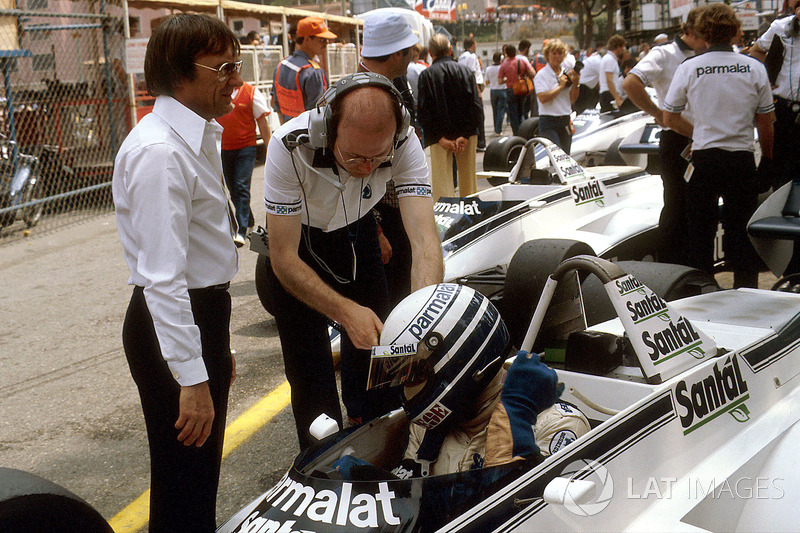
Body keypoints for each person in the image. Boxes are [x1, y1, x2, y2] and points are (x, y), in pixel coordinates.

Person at [262, 72, 444, 450]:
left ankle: (379, 443)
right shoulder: (288, 145)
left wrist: (420, 313)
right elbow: (282, 256)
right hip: (300, 246)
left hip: (358, 232)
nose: (366, 167)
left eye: (378, 158)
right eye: (355, 156)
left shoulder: (406, 140)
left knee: (380, 363)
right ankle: (323, 463)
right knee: (312, 378)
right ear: (325, 129)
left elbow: (425, 239)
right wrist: (345, 313)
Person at [112, 14, 241, 531]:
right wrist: (190, 373)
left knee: (196, 475)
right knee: (185, 478)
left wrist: (213, 347)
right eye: (225, 67)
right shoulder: (161, 152)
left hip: (196, 315)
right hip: (172, 319)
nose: (236, 79)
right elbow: (164, 278)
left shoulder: (193, 134)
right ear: (181, 74)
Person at [335, 284, 588, 479]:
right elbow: (419, 503)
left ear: (458, 363)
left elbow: (515, 516)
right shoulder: (425, 429)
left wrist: (512, 421)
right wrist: (379, 487)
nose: (403, 388)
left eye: (412, 375)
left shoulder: (556, 426)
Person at [664, 2, 775, 289]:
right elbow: (766, 123)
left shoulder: (689, 67)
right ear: (736, 32)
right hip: (741, 158)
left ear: (703, 32)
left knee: (700, 232)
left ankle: (701, 294)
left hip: (704, 158)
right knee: (742, 233)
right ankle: (746, 293)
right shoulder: (754, 67)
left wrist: (699, 131)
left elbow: (669, 117)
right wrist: (769, 160)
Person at [623, 6, 707, 265]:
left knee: (701, 206)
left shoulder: (708, 53)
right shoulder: (664, 54)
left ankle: (698, 265)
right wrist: (657, 113)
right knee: (675, 205)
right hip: (677, 139)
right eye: (704, 35)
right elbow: (630, 83)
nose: (708, 41)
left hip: (706, 140)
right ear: (690, 32)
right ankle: (671, 267)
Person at [358, 12, 419, 308]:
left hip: (390, 215)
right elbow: (352, 175)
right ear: (396, 53)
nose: (414, 55)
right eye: (410, 50)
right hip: (376, 217)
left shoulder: (390, 86)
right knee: (386, 308)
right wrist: (377, 230)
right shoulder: (365, 96)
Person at [417, 34, 483, 201]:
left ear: (431, 53)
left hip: (439, 135)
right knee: (469, 180)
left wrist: (439, 138)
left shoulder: (426, 75)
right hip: (466, 133)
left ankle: (445, 220)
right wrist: (466, 135)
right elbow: (475, 106)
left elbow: (424, 111)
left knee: (442, 183)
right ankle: (471, 215)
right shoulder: (466, 71)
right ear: (450, 49)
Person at [750, 0, 800, 190]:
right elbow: (757, 50)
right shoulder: (780, 27)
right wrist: (765, 78)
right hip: (784, 108)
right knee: (781, 168)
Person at [216, 82, 272, 247]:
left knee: (241, 186)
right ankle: (249, 221)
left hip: (246, 148)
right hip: (225, 149)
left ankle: (241, 230)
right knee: (233, 190)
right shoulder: (217, 91)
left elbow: (263, 122)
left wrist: (271, 149)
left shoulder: (251, 92)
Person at [272, 16, 335, 124]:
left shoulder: (281, 65)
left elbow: (275, 104)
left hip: (287, 134)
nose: (326, 44)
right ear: (306, 39)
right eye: (322, 40)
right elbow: (319, 115)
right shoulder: (313, 72)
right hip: (308, 137)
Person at [534, 39, 581, 153]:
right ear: (547, 55)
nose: (557, 57)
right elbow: (543, 98)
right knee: (557, 155)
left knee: (566, 155)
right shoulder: (542, 75)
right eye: (553, 53)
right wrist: (560, 87)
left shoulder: (566, 73)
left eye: (560, 53)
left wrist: (576, 84)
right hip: (549, 121)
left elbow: (573, 99)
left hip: (565, 119)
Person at [498, 44, 535, 135]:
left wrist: (508, 79)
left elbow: (500, 81)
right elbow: (533, 73)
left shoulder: (504, 64)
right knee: (521, 111)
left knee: (513, 113)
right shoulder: (522, 61)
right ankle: (524, 132)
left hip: (511, 90)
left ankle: (517, 133)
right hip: (522, 89)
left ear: (506, 53)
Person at [458, 37, 486, 150]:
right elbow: (472, 74)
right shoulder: (472, 56)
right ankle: (481, 142)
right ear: (473, 45)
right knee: (479, 115)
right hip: (474, 86)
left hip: (464, 87)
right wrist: (478, 91)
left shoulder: (461, 56)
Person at [599, 34, 628, 112]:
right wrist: (617, 98)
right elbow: (609, 80)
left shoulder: (610, 58)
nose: (623, 50)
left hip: (608, 93)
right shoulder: (610, 60)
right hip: (609, 94)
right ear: (618, 46)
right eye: (622, 47)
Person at [573, 45, 602, 115]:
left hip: (585, 86)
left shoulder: (594, 59)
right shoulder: (599, 62)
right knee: (583, 111)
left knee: (583, 110)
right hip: (584, 88)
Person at [485, 52, 507, 135]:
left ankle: (495, 128)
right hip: (502, 89)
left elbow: (486, 82)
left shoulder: (488, 68)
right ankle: (498, 129)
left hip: (493, 90)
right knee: (501, 110)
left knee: (495, 111)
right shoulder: (502, 67)